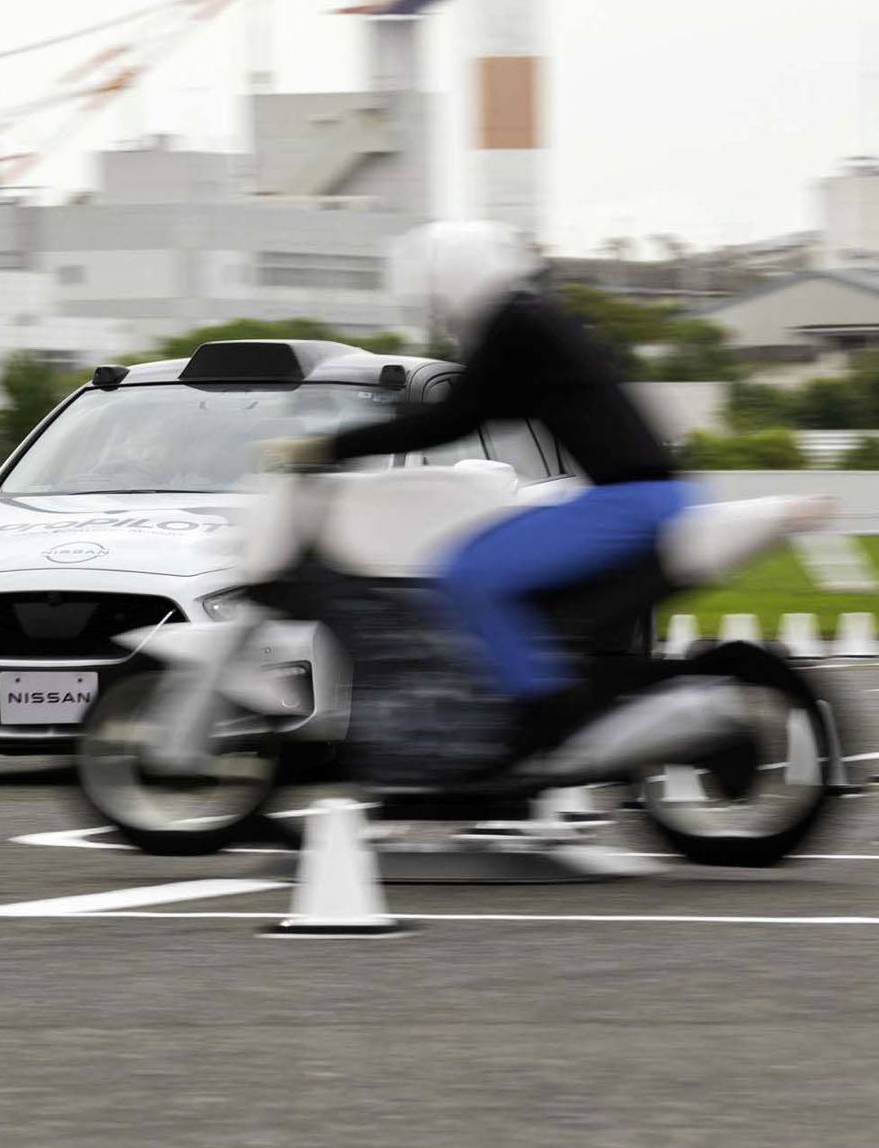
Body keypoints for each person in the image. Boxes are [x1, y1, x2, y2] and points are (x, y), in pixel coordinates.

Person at [265, 220, 692, 757]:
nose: (442, 322)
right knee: (503, 577)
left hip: (629, 502)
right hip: (642, 497)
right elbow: (479, 409)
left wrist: (329, 447)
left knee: (469, 574)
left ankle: (543, 712)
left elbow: (452, 420)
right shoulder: (532, 320)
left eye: (437, 307)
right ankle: (536, 699)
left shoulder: (515, 325)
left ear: (451, 281)